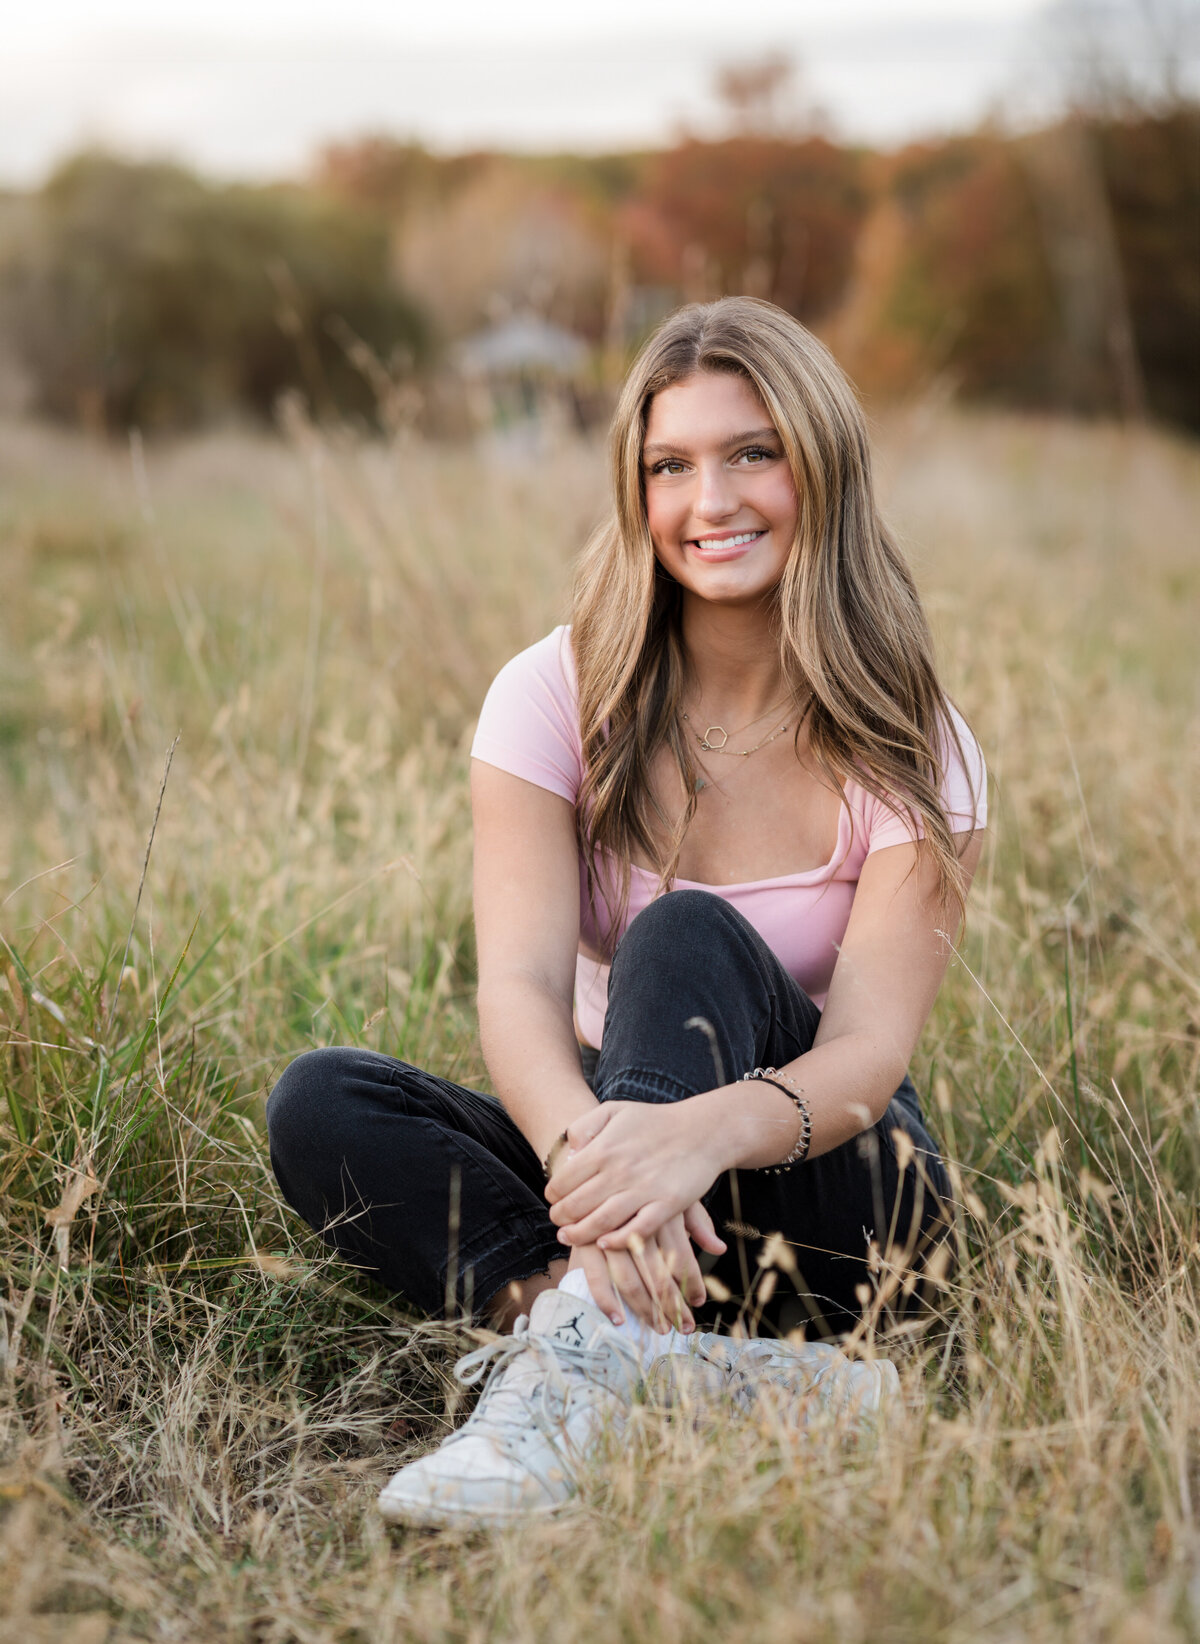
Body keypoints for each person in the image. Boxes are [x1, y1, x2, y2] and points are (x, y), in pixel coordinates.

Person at [266, 296, 986, 1529]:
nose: (713, 500)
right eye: (672, 465)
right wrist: (598, 1171)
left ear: (821, 463)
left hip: (824, 1185)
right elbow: (524, 995)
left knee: (681, 933)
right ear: (635, 490)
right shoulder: (555, 694)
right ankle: (637, 1355)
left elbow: (867, 1055)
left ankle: (584, 1371)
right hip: (621, 1162)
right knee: (323, 1103)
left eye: (753, 452)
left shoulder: (912, 744)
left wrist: (694, 1138)